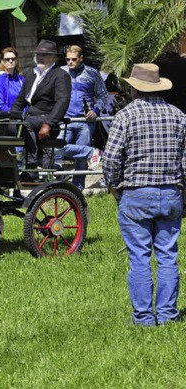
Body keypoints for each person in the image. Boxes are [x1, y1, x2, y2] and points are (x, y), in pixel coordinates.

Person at [102, 63, 186, 326]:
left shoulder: (125, 116)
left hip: (136, 193)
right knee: (168, 256)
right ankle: (168, 315)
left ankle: (143, 318)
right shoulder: (179, 116)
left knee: (139, 257)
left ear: (134, 88)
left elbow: (110, 159)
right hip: (172, 193)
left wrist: (114, 185)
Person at [10, 39, 71, 181]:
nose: (40, 58)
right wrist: (10, 116)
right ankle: (6, 168)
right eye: (38, 55)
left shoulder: (60, 75)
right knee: (5, 125)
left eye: (45, 55)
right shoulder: (31, 74)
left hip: (47, 118)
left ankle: (31, 166)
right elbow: (20, 100)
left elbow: (62, 102)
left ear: (54, 57)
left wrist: (49, 123)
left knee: (25, 125)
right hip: (29, 118)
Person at [55, 45, 108, 190]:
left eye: (73, 59)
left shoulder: (92, 73)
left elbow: (103, 95)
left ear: (81, 58)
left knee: (81, 159)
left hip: (85, 122)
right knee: (56, 149)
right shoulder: (60, 72)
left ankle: (78, 190)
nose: (70, 62)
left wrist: (96, 110)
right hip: (64, 120)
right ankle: (57, 185)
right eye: (68, 59)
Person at [0, 47, 25, 117]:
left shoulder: (21, 79)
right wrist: (16, 113)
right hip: (7, 117)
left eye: (13, 59)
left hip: (24, 116)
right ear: (2, 61)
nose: (11, 61)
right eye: (7, 59)